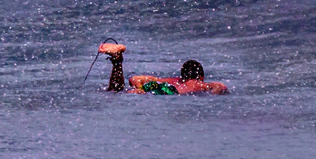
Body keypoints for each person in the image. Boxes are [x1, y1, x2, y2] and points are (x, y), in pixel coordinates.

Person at [97, 43, 228, 95]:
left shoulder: (172, 80)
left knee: (116, 90)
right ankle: (117, 61)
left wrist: (140, 88)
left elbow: (134, 79)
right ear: (201, 76)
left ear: (182, 75)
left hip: (157, 86)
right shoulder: (199, 84)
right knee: (131, 94)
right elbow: (220, 86)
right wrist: (214, 93)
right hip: (169, 92)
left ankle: (117, 61)